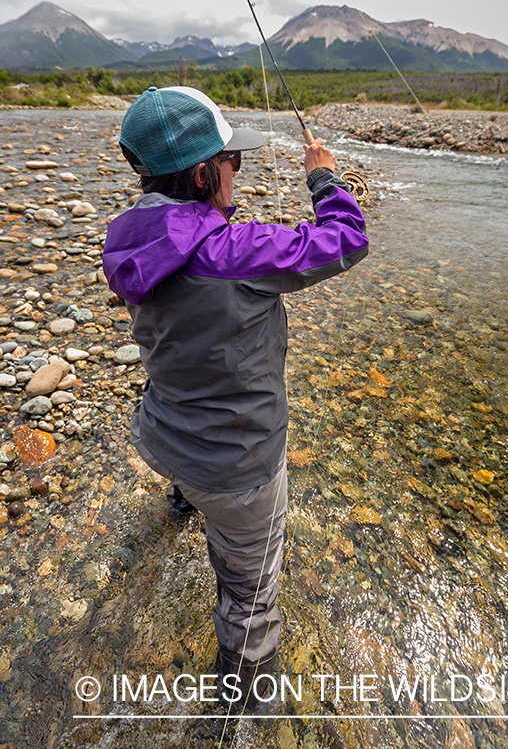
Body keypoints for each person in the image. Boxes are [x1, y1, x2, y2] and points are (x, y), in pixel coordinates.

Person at [102, 85, 369, 708]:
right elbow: (347, 240)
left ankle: (181, 505)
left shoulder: (126, 239)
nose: (236, 173)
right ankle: (243, 715)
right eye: (232, 162)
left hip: (162, 436)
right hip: (236, 469)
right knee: (250, 606)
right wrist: (325, 182)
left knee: (191, 477)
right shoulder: (238, 250)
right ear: (202, 175)